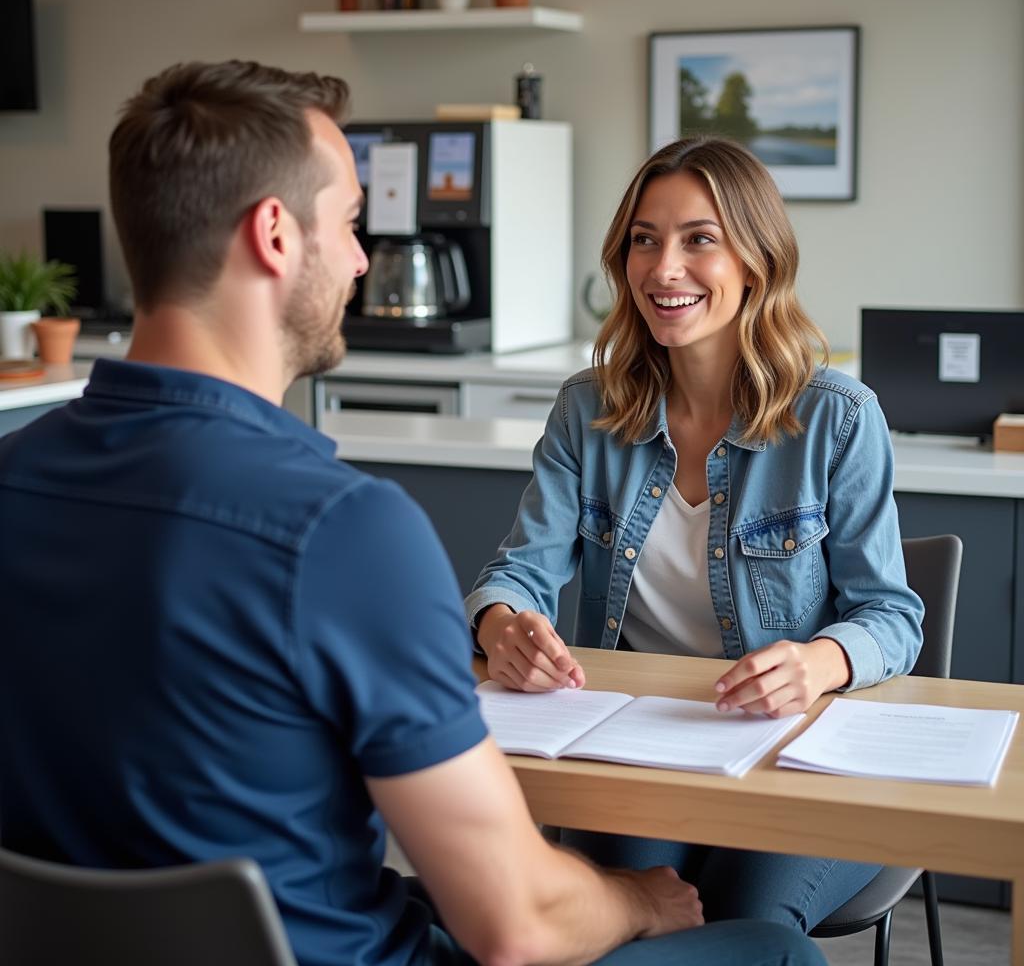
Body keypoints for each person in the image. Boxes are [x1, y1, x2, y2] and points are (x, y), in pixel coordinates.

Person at [0, 62, 826, 966]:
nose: (362, 257)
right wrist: (634, 901)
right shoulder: (341, 532)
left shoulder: (18, 471)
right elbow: (515, 925)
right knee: (775, 953)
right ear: (275, 235)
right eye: (351, 223)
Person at [466, 135, 925, 933]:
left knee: (750, 925)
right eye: (644, 240)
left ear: (755, 260)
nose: (663, 268)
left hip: (795, 755)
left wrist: (818, 662)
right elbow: (518, 573)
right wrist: (500, 623)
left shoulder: (838, 418)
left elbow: (893, 617)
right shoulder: (588, 410)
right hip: (642, 749)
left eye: (698, 240)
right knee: (623, 910)